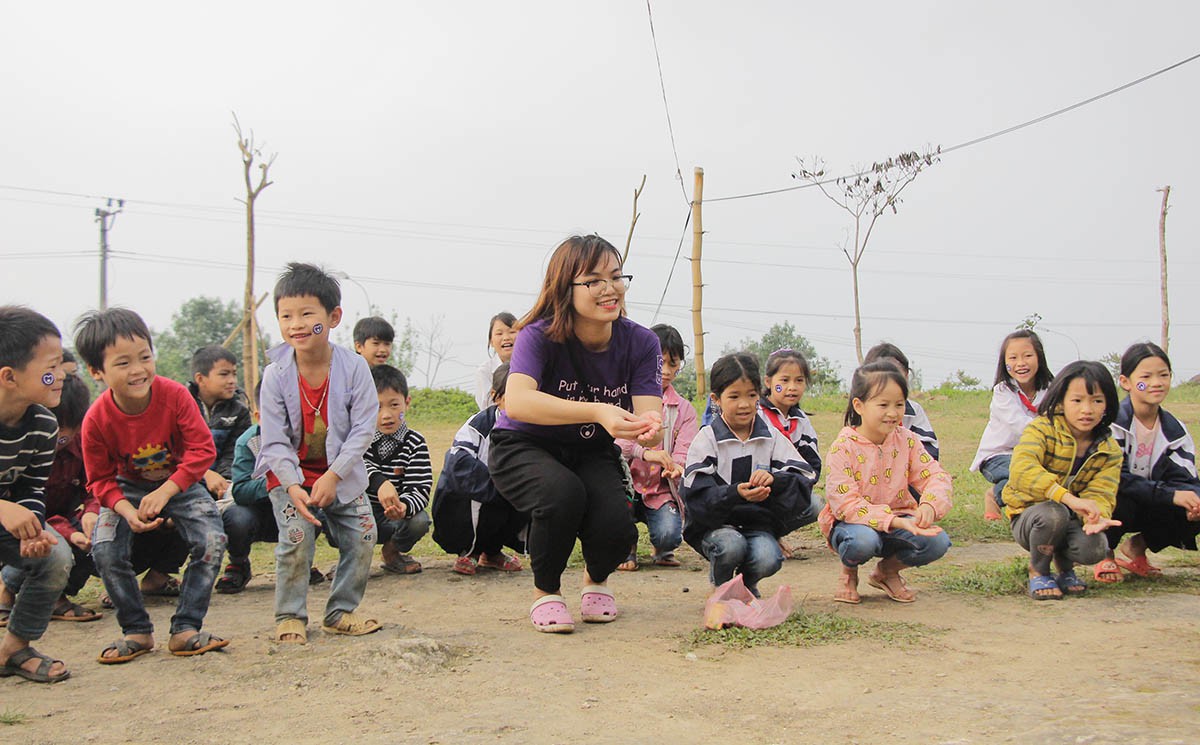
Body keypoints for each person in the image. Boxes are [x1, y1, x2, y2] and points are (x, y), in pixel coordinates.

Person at [488, 234, 663, 634]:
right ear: (565, 287)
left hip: (589, 449)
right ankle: (545, 593)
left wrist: (648, 431)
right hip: (523, 445)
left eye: (617, 277)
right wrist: (598, 410)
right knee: (561, 494)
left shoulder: (641, 342)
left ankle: (595, 581)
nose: (610, 289)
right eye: (594, 280)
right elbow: (517, 402)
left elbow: (648, 414)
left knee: (618, 524)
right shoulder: (539, 334)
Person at [75, 307, 229, 663]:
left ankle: (186, 628)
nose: (139, 369)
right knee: (105, 549)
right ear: (96, 371)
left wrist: (166, 491)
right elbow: (98, 479)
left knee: (211, 539)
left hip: (181, 483)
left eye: (145, 357)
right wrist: (126, 510)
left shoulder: (174, 395)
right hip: (125, 488)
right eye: (123, 362)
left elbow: (202, 450)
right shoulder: (96, 419)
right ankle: (137, 631)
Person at [255, 263, 381, 643]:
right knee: (296, 538)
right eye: (286, 316)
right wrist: (293, 485)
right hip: (290, 474)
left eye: (307, 314)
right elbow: (273, 441)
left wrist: (334, 475)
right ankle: (290, 615)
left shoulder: (355, 367)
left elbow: (364, 428)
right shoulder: (275, 374)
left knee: (364, 535)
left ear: (334, 317)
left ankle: (340, 611)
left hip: (340, 473)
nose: (296, 324)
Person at [682, 353, 816, 598]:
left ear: (759, 395)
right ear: (716, 399)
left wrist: (775, 481)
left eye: (751, 395)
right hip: (714, 526)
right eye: (734, 396)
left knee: (769, 557)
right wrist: (734, 493)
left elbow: (803, 475)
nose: (744, 404)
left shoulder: (771, 436)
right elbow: (694, 494)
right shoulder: (707, 439)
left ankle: (745, 585)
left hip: (757, 524)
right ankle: (721, 586)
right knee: (732, 545)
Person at [821, 361, 953, 604]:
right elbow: (845, 504)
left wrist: (929, 506)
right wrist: (891, 520)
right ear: (859, 405)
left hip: (900, 520)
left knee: (938, 541)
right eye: (883, 405)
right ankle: (849, 571)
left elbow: (936, 476)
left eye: (899, 405)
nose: (892, 413)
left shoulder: (908, 441)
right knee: (863, 541)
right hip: (853, 524)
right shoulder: (843, 447)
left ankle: (887, 572)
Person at [1001, 360, 1123, 599]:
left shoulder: (1109, 449)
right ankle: (1038, 570)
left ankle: (1066, 569)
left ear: (1107, 404)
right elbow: (1022, 470)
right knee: (1053, 513)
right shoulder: (1041, 429)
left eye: (1096, 401)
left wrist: (1096, 515)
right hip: (1031, 516)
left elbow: (1103, 492)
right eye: (1077, 401)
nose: (1087, 409)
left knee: (1096, 547)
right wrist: (1067, 498)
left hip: (1070, 519)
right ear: (1061, 401)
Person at [0, 306, 72, 683]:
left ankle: (14, 648)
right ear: (9, 376)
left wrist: (33, 530)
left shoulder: (43, 425)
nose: (61, 376)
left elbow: (30, 486)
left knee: (55, 554)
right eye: (51, 366)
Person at [1, 374, 102, 624]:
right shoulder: (24, 444)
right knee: (42, 543)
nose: (54, 440)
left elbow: (95, 485)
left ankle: (57, 597)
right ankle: (6, 588)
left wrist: (91, 511)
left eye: (62, 434)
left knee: (98, 535)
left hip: (58, 521)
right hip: (24, 522)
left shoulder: (82, 446)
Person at [1103, 343, 1200, 577]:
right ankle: (1104, 554)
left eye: (1163, 375)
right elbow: (1116, 478)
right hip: (1117, 499)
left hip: (1152, 500)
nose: (1156, 382)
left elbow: (1185, 478)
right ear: (1126, 382)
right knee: (1113, 495)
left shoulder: (1175, 430)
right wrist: (1172, 495)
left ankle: (1138, 547)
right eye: (1146, 377)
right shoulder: (1111, 423)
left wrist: (1193, 501)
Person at [431, 363, 527, 575]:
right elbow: (459, 463)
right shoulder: (478, 425)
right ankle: (470, 551)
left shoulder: (536, 426)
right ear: (496, 396)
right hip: (475, 496)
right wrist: (499, 487)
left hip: (509, 496)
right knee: (482, 505)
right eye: (513, 396)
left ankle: (492, 552)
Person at [616, 323, 697, 570]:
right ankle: (625, 547)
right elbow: (619, 444)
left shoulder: (684, 410)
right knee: (616, 516)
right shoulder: (624, 398)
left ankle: (661, 546)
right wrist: (648, 453)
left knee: (669, 536)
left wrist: (677, 467)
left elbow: (684, 450)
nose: (667, 371)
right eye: (661, 363)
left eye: (674, 364)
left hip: (659, 490)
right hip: (624, 485)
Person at [971, 330, 1054, 520]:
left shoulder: (1051, 389)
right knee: (1023, 476)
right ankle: (995, 495)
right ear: (1004, 362)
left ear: (1039, 358)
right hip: (999, 455)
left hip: (1036, 454)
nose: (1021, 363)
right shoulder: (1002, 391)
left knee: (1045, 478)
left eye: (1027, 356)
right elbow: (1021, 425)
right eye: (1013, 358)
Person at [363, 364, 432, 575]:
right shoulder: (359, 439)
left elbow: (420, 488)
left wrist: (403, 507)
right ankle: (352, 559)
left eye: (394, 405)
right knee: (336, 513)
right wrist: (380, 481)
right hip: (362, 514)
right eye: (376, 407)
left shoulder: (415, 442)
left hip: (396, 517)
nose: (386, 415)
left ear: (407, 403)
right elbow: (354, 466)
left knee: (420, 521)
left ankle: (392, 552)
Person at [188, 345, 252, 500]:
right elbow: (177, 452)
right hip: (185, 483)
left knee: (242, 519)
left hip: (225, 485)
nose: (232, 381)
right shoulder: (180, 407)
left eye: (234, 374)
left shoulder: (240, 412)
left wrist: (225, 482)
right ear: (200, 379)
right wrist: (204, 474)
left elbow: (234, 454)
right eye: (224, 374)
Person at [758, 347, 822, 478]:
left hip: (792, 488)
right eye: (785, 380)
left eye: (799, 380)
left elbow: (812, 464)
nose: (792, 387)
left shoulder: (802, 421)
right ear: (768, 382)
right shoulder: (756, 415)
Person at [474, 312, 517, 411]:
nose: (506, 337)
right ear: (491, 342)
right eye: (499, 333)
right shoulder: (484, 372)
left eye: (512, 332)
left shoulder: (533, 365)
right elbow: (487, 407)